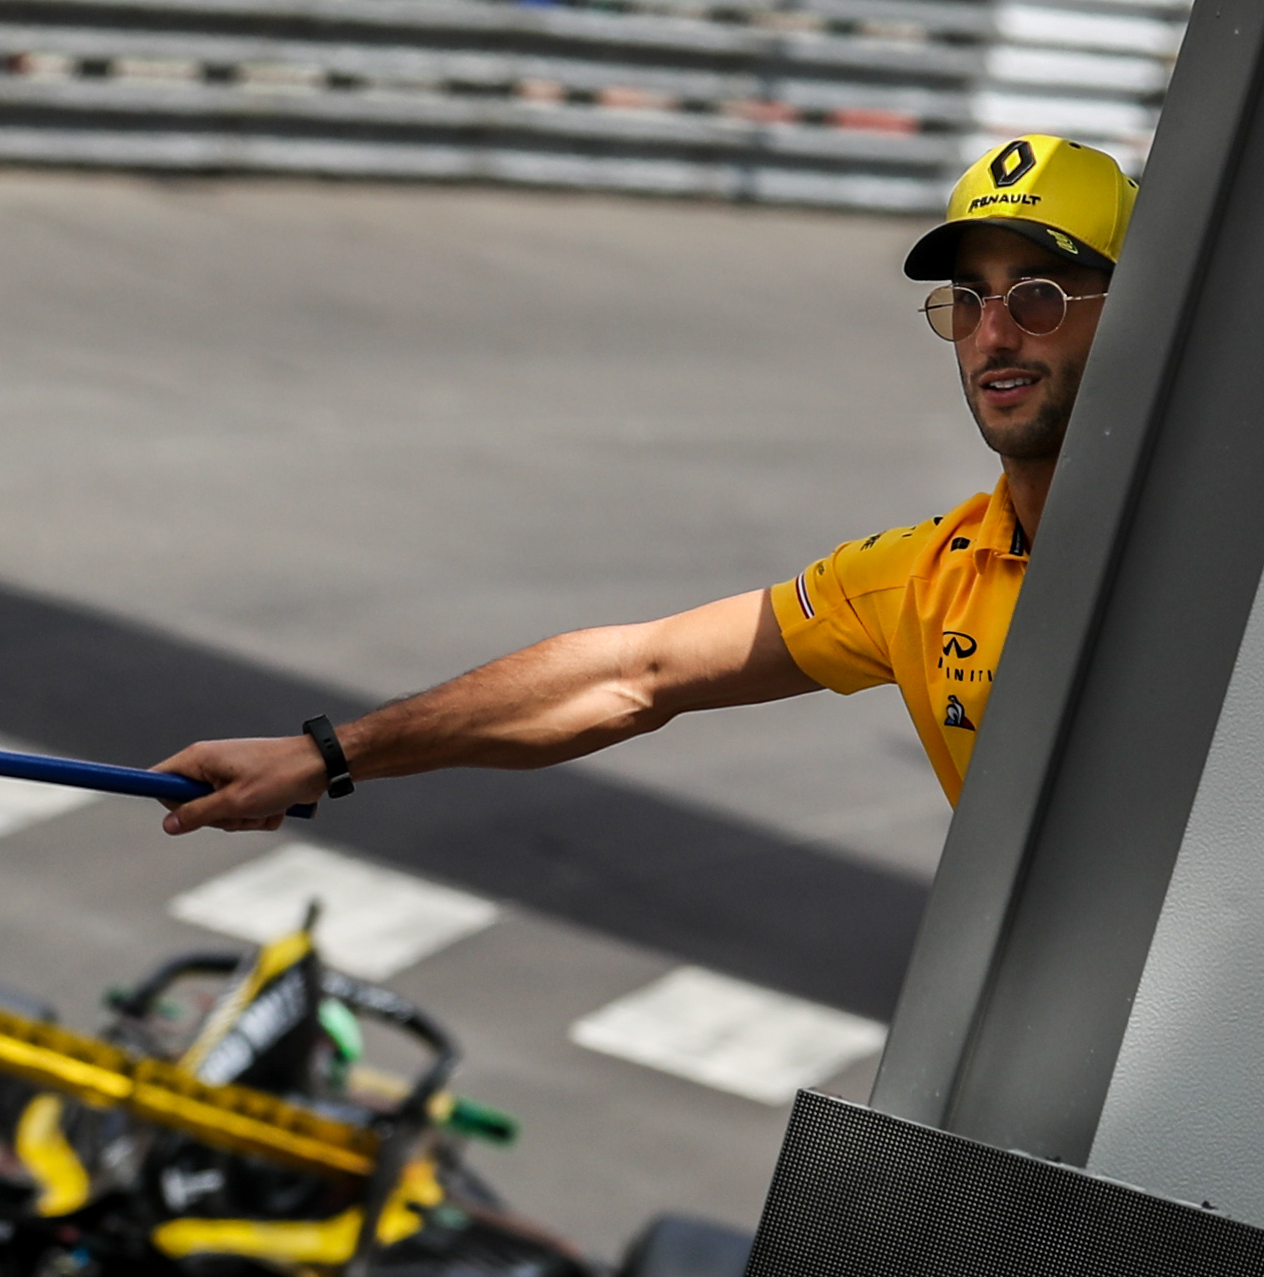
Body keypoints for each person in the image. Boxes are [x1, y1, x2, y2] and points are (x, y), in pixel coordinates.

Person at [153, 133, 1139, 834]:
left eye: (1039, 296)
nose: (993, 334)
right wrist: (325, 756)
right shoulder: (920, 582)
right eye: (968, 299)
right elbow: (632, 675)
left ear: (1141, 309)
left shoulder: (1211, 564)